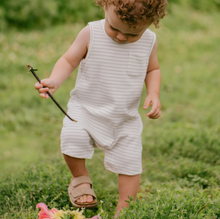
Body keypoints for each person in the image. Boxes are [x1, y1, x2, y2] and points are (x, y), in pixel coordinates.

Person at [34, 0, 167, 217]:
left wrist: (153, 93)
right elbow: (69, 60)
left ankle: (124, 210)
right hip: (85, 109)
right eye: (114, 28)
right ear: (104, 6)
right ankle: (80, 179)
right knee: (72, 138)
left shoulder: (149, 41)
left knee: (130, 165)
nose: (122, 37)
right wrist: (55, 81)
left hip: (124, 119)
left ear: (151, 22)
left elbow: (153, 69)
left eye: (132, 35)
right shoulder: (91, 33)